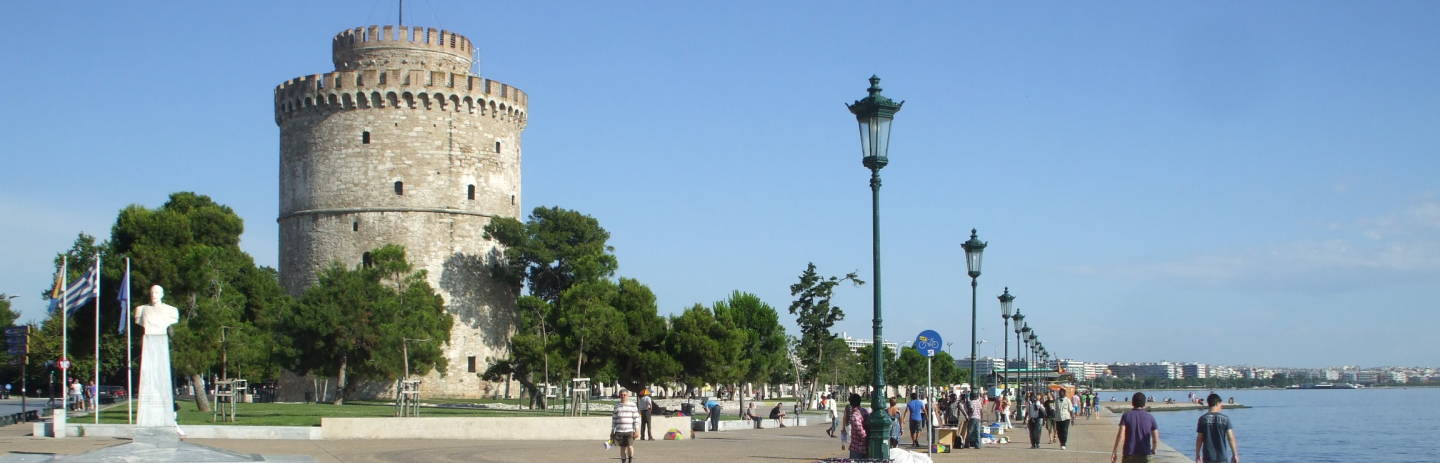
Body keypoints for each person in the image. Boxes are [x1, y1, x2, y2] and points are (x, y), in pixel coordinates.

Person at [1112, 392, 1159, 463]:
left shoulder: (1126, 416)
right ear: (1144, 404)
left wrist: (1115, 451)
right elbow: (1155, 439)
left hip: (1129, 454)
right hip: (1145, 455)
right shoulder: (1150, 417)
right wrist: (1154, 449)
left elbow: (1121, 436)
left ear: (1132, 403)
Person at [1196, 393, 1240, 463]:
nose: (1221, 406)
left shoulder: (1202, 419)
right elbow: (1231, 438)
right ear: (1217, 403)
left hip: (1208, 457)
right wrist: (1235, 454)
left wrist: (1198, 454)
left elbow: (1199, 439)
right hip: (1222, 457)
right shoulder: (1225, 419)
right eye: (1220, 404)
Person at [611, 389, 640, 463]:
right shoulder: (617, 406)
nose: (623, 396)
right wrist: (612, 431)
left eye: (624, 395)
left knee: (630, 446)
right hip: (619, 430)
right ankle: (623, 461)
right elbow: (614, 419)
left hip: (629, 430)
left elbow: (636, 418)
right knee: (622, 448)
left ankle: (630, 460)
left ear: (628, 396)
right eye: (621, 395)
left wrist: (637, 430)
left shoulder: (633, 405)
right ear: (619, 396)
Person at [846, 393, 868, 459]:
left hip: (857, 448)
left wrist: (865, 440)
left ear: (851, 403)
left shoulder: (855, 416)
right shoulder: (864, 411)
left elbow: (861, 432)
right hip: (864, 447)